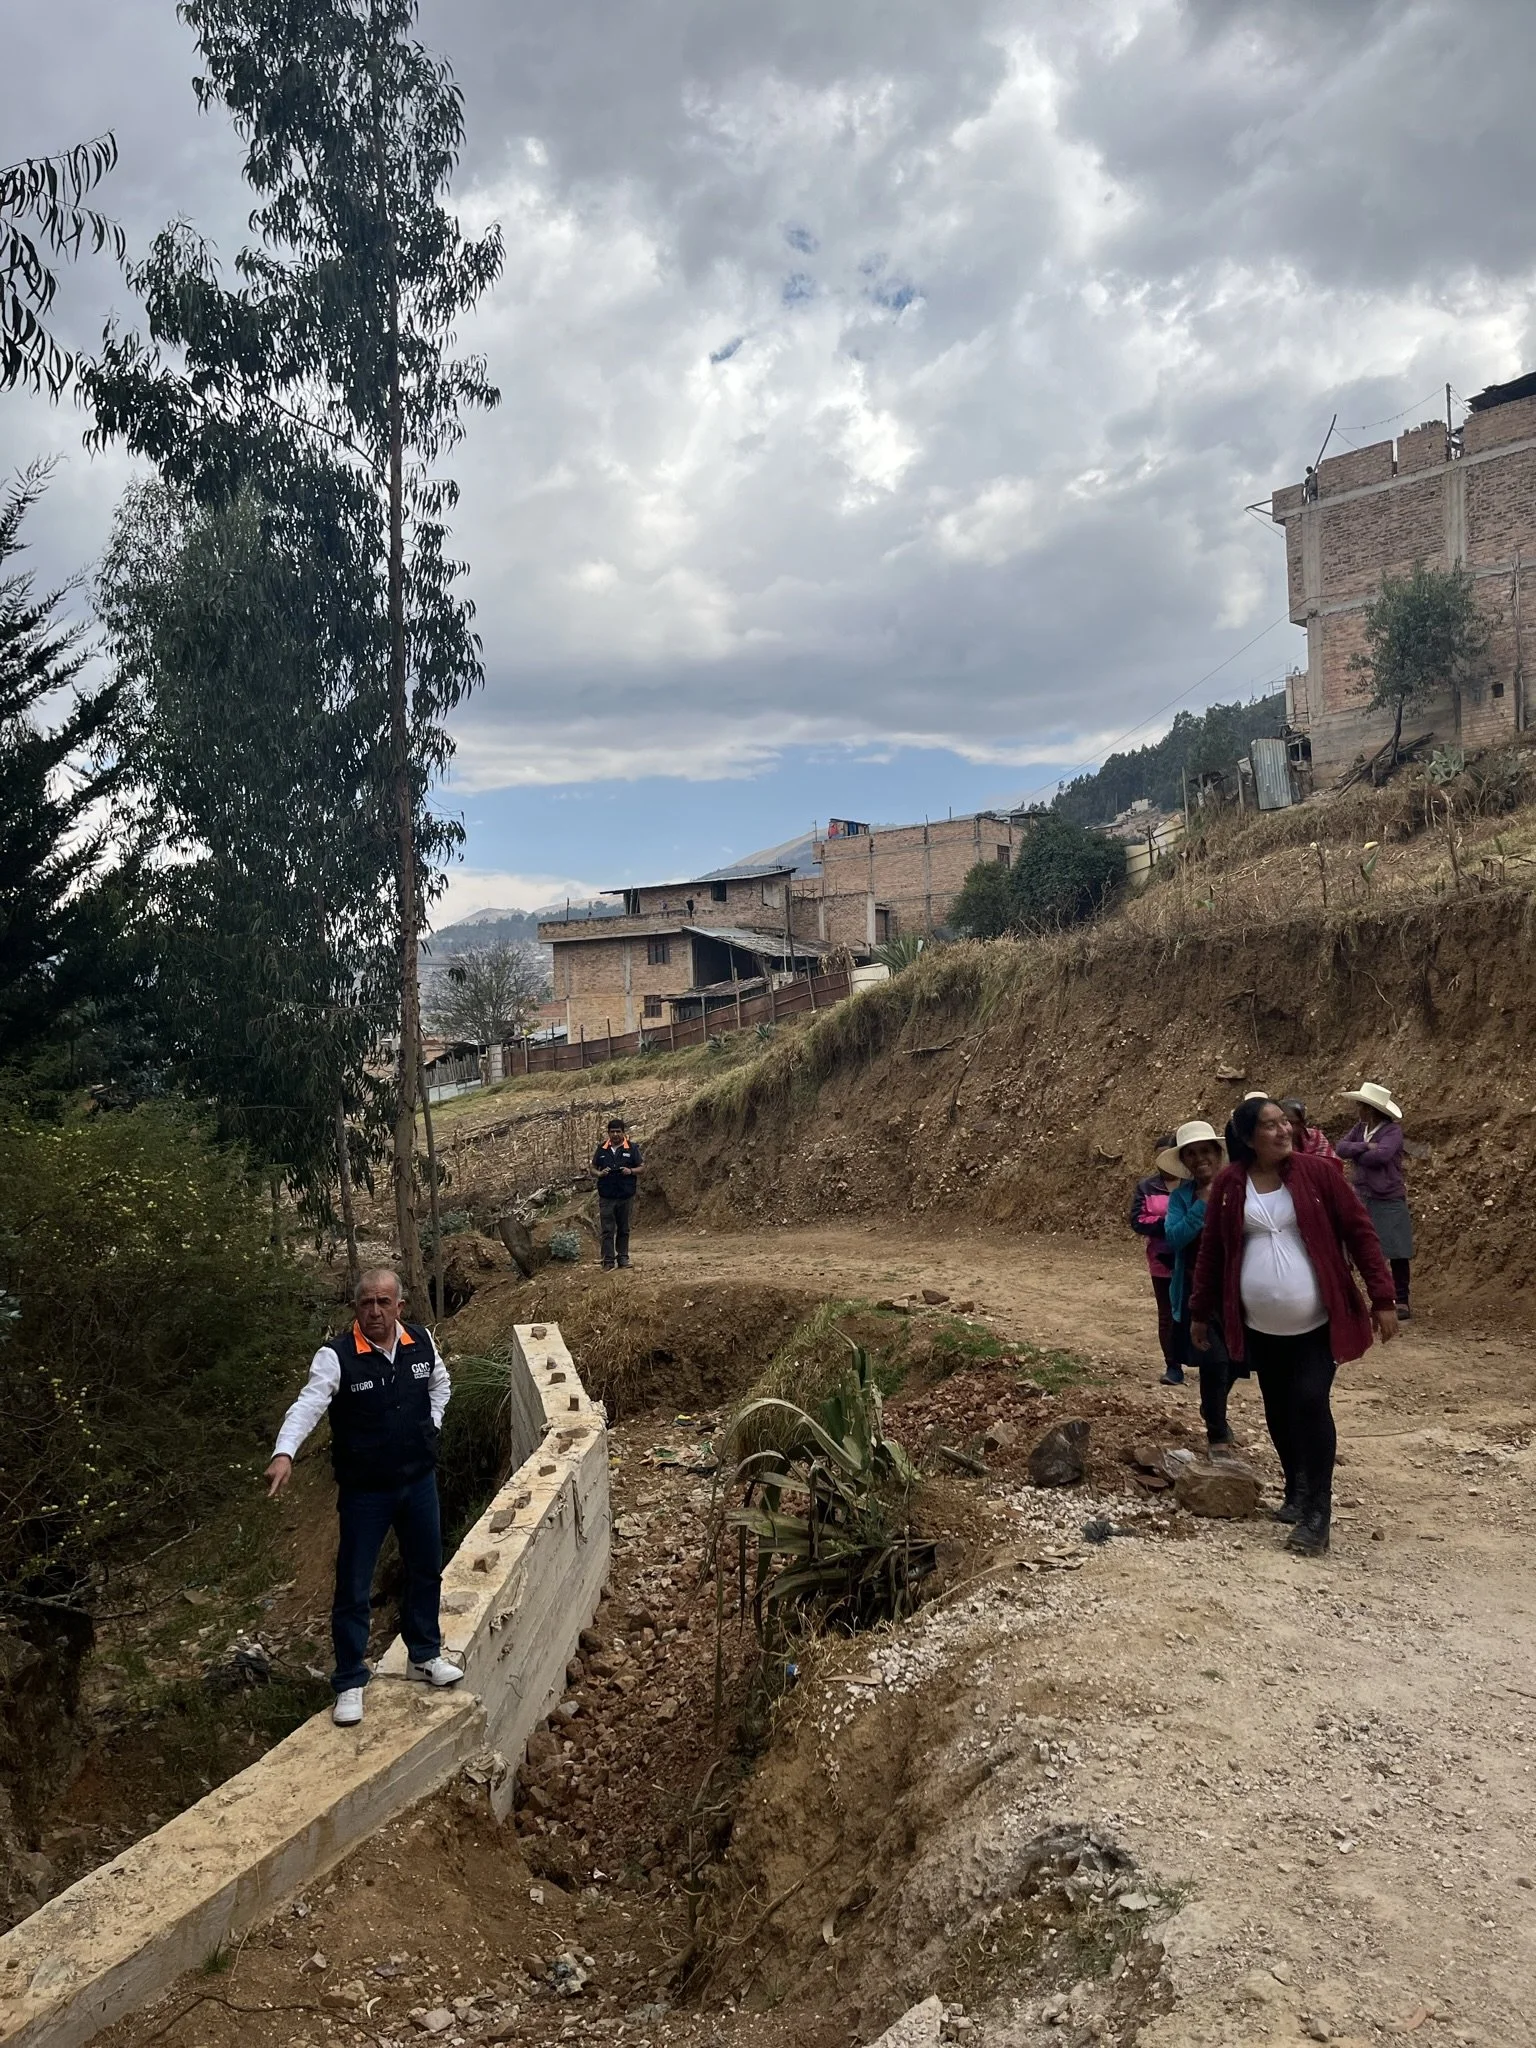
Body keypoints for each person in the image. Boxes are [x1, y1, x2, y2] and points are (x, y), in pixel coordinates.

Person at [1190, 1097, 1397, 1556]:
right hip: (1260, 1325)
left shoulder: (1320, 1173)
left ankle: (1318, 1514)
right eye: (1270, 1126)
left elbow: (1361, 1233)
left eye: (1285, 1123)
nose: (1284, 1131)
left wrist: (1383, 1298)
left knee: (1308, 1400)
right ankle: (1295, 1491)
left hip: (1317, 1322)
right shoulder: (1229, 1184)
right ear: (1247, 1137)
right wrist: (1200, 1312)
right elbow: (1212, 1253)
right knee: (1278, 1407)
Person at [264, 1269, 462, 1727]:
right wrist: (284, 1452)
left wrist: (431, 1424)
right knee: (354, 1585)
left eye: (383, 1302)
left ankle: (424, 1655)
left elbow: (441, 1384)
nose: (375, 1311)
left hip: (418, 1482)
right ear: (356, 1308)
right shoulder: (336, 1356)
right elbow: (308, 1404)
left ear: (399, 1306)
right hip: (365, 1492)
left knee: (424, 1569)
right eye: (366, 1304)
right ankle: (350, 1680)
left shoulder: (421, 1342)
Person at [1161, 1120, 1249, 1449]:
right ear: (1185, 1162)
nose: (1200, 1159)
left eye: (1206, 1151)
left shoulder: (1240, 1188)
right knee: (1215, 1361)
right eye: (1192, 1154)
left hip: (1240, 1293)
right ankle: (1217, 1434)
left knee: (1237, 1364)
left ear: (1218, 1153)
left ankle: (1212, 1407)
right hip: (1198, 1293)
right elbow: (1174, 1237)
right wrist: (1203, 1204)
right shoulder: (1182, 1199)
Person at [1336, 1082, 1414, 1319]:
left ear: (1369, 1109)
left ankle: (1401, 1300)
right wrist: (1365, 1146)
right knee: (1364, 1246)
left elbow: (1382, 1156)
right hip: (1364, 1195)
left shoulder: (1392, 1131)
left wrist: (1358, 1153)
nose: (1357, 1110)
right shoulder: (1362, 1130)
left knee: (1397, 1249)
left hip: (1387, 1196)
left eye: (1360, 1106)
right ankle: (1380, 1298)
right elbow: (1341, 1148)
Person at [1130, 1139, 1182, 1385]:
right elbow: (1138, 1221)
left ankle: (1206, 1362)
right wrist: (1169, 1225)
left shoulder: (1192, 1183)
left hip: (1192, 1258)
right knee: (1167, 1315)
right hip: (1161, 1259)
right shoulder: (1146, 1187)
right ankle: (1173, 1366)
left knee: (1197, 1311)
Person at [591, 1117, 644, 1270]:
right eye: (612, 1132)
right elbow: (592, 1168)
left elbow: (642, 1167)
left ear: (623, 1133)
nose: (615, 1135)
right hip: (606, 1196)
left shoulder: (632, 1148)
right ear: (608, 1133)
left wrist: (631, 1171)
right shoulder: (601, 1149)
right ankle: (608, 1261)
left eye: (618, 1132)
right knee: (607, 1229)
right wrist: (600, 1174)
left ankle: (623, 1258)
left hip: (625, 1196)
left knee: (624, 1228)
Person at [1279, 1097, 1342, 1170]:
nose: (1288, 1128)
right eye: (1284, 1122)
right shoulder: (1273, 1140)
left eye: (1292, 1123)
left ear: (1302, 1124)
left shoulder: (1315, 1136)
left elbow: (1331, 1166)